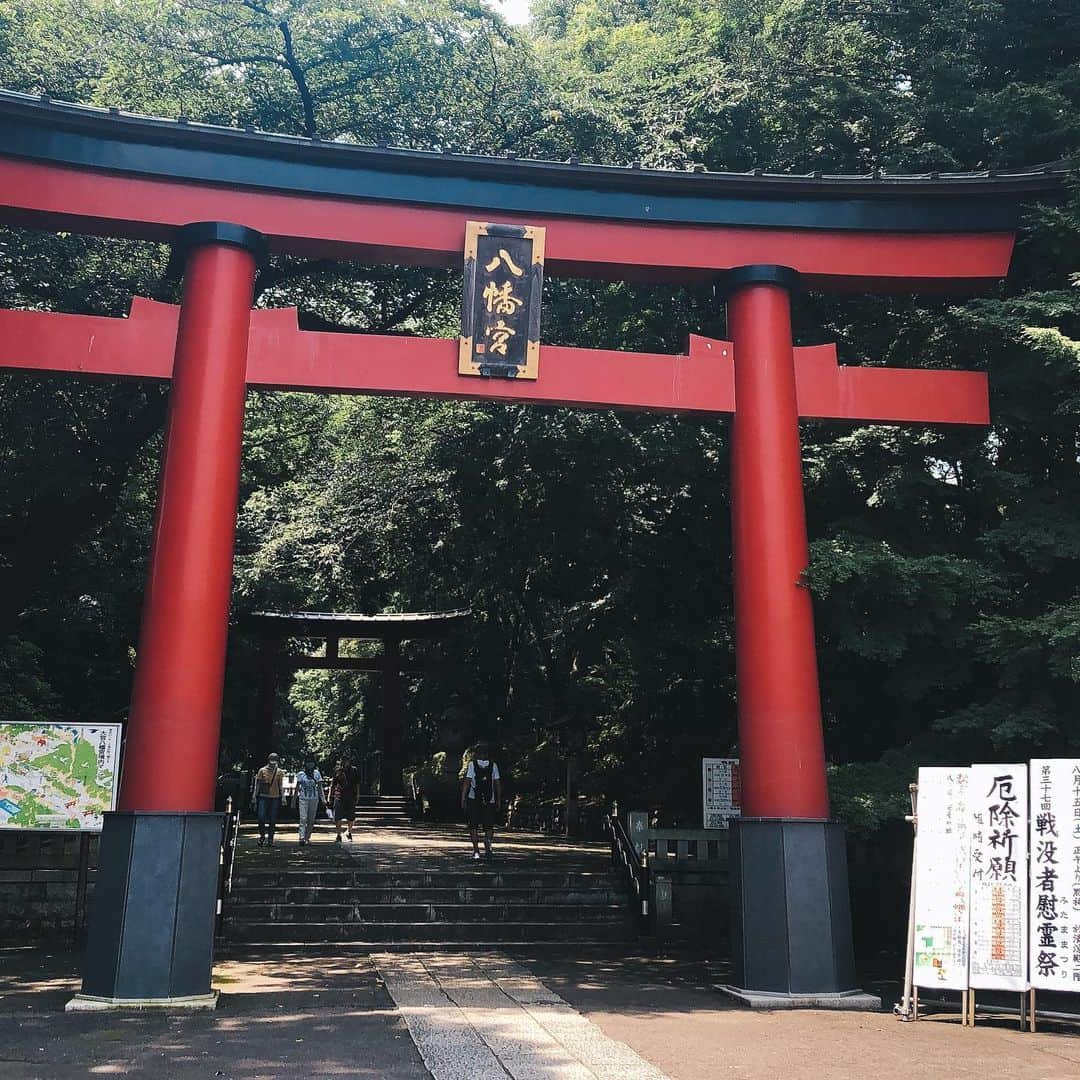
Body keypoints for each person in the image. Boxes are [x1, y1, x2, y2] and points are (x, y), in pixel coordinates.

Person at [461, 742, 501, 861]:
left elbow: (467, 782)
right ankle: (488, 847)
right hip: (490, 799)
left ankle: (476, 851)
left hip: (474, 799)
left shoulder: (472, 765)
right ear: (487, 754)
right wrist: (498, 800)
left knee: (473, 825)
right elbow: (497, 783)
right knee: (489, 826)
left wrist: (463, 798)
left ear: (476, 754)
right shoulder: (493, 765)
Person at [253, 752, 285, 848]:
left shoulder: (279, 772)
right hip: (263, 796)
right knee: (261, 817)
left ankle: (270, 839)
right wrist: (254, 796)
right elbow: (257, 784)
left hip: (275, 797)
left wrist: (283, 797)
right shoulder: (262, 770)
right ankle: (262, 836)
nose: (272, 764)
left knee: (272, 819)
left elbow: (281, 786)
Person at [294, 759, 323, 846]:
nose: (310, 764)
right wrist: (294, 800)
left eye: (312, 762)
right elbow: (297, 788)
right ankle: (301, 837)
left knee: (311, 819)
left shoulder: (317, 773)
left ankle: (307, 837)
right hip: (303, 798)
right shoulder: (301, 774)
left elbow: (320, 788)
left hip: (314, 799)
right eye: (308, 762)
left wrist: (323, 799)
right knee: (303, 818)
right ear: (305, 764)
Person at [327, 759, 357, 843]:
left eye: (346, 761)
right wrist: (330, 796)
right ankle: (338, 834)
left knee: (351, 816)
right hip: (339, 796)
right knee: (338, 816)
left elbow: (357, 784)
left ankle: (349, 831)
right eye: (343, 761)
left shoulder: (354, 770)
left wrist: (357, 795)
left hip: (350, 796)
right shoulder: (337, 771)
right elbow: (332, 784)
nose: (345, 763)